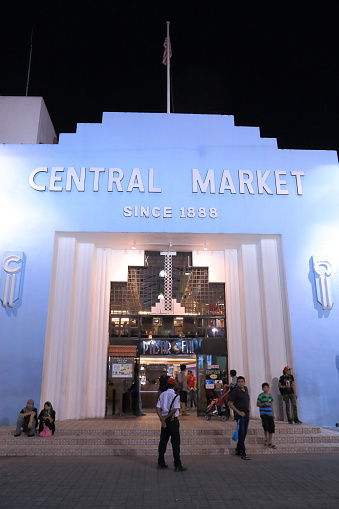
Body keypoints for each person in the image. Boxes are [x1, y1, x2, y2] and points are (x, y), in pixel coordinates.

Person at [156, 377, 187, 472]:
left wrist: (162, 419)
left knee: (163, 442)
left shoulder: (162, 394)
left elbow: (157, 407)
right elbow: (175, 409)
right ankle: (177, 464)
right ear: (174, 386)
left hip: (164, 421)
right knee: (175, 443)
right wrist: (166, 417)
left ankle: (161, 462)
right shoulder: (176, 396)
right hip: (173, 421)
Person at [227, 376, 251, 460]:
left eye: (242, 381)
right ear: (237, 383)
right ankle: (243, 452)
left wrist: (249, 408)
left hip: (246, 414)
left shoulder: (246, 389)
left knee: (244, 433)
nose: (241, 383)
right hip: (240, 416)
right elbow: (230, 403)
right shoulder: (235, 391)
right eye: (239, 382)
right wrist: (238, 412)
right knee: (241, 433)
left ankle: (238, 449)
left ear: (244, 382)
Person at [257, 383, 276, 449]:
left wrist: (273, 414)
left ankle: (270, 442)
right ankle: (266, 439)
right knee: (266, 426)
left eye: (267, 387)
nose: (266, 389)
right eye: (264, 387)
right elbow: (258, 404)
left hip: (269, 413)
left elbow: (271, 405)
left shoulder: (270, 396)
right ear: (262, 388)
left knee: (271, 427)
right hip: (264, 413)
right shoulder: (260, 396)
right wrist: (263, 404)